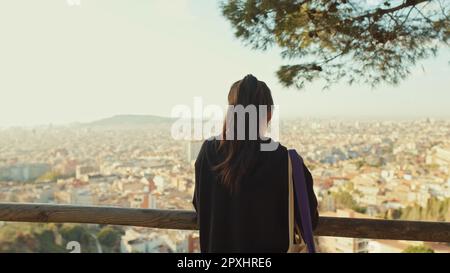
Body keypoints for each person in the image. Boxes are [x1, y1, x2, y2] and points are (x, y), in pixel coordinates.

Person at [193, 74, 318, 253]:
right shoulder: (286, 161)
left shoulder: (208, 152)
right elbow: (309, 221)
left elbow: (201, 207)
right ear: (268, 114)